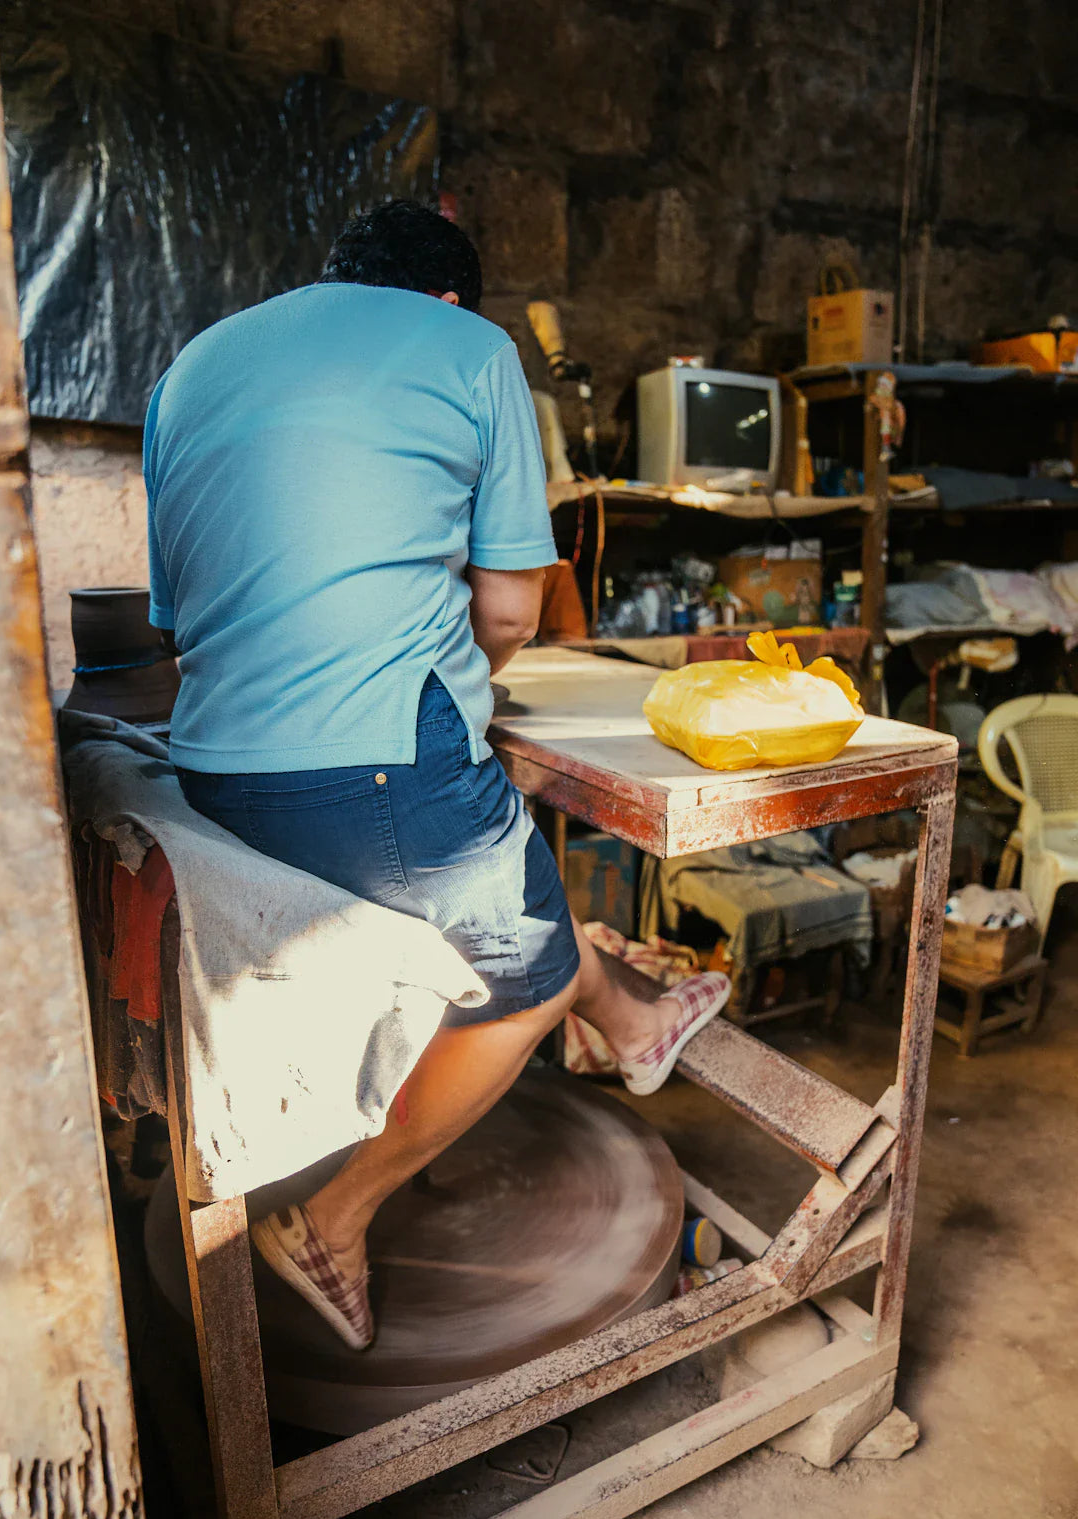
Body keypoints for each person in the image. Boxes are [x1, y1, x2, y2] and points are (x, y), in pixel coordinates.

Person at [144, 200, 729, 1348]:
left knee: (520, 912)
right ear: (451, 300)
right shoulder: (472, 351)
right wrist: (465, 661)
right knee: (531, 976)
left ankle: (636, 1021)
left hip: (209, 769)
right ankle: (334, 1219)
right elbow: (511, 604)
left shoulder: (193, 364)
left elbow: (180, 615)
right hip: (361, 774)